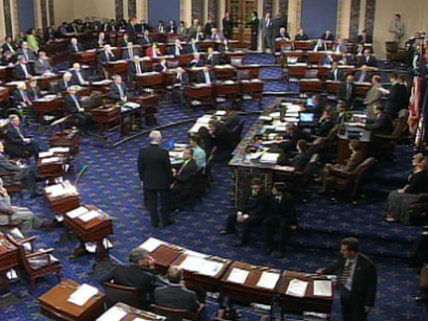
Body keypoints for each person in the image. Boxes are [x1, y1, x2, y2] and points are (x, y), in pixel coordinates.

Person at [317, 237, 377, 321]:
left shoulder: (367, 265)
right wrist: (324, 271)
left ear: (352, 252)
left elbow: (372, 286)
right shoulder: (343, 256)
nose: (341, 252)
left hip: (358, 297)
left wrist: (369, 304)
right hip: (344, 291)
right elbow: (337, 265)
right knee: (346, 315)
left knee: (358, 317)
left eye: (344, 250)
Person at [138, 131, 174, 228]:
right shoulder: (163, 153)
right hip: (162, 182)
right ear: (159, 139)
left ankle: (155, 222)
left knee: (152, 204)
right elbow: (168, 169)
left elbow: (140, 168)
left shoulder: (143, 152)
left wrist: (142, 180)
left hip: (148, 181)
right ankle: (165, 221)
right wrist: (171, 181)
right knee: (164, 202)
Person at [220, 178, 268, 246]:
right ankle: (229, 230)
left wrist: (247, 216)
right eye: (254, 187)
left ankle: (242, 240)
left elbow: (260, 209)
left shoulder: (264, 196)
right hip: (246, 211)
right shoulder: (247, 192)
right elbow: (242, 203)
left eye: (257, 188)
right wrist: (240, 212)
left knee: (247, 221)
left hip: (256, 214)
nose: (256, 190)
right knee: (232, 215)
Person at [385, 154, 428, 224]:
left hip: (419, 195)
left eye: (415, 159)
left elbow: (414, 187)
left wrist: (404, 190)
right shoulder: (416, 171)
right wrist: (405, 188)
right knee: (393, 194)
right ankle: (393, 214)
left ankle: (398, 216)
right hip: (413, 191)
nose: (412, 160)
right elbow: (410, 183)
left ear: (420, 163)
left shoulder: (422, 175)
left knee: (395, 195)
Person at [263, 183, 298, 256]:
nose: (272, 190)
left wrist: (293, 223)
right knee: (267, 223)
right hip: (274, 216)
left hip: (285, 217)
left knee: (283, 227)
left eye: (274, 189)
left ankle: (281, 250)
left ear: (279, 191)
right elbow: (268, 208)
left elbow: (292, 211)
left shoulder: (288, 198)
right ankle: (269, 246)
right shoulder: (270, 196)